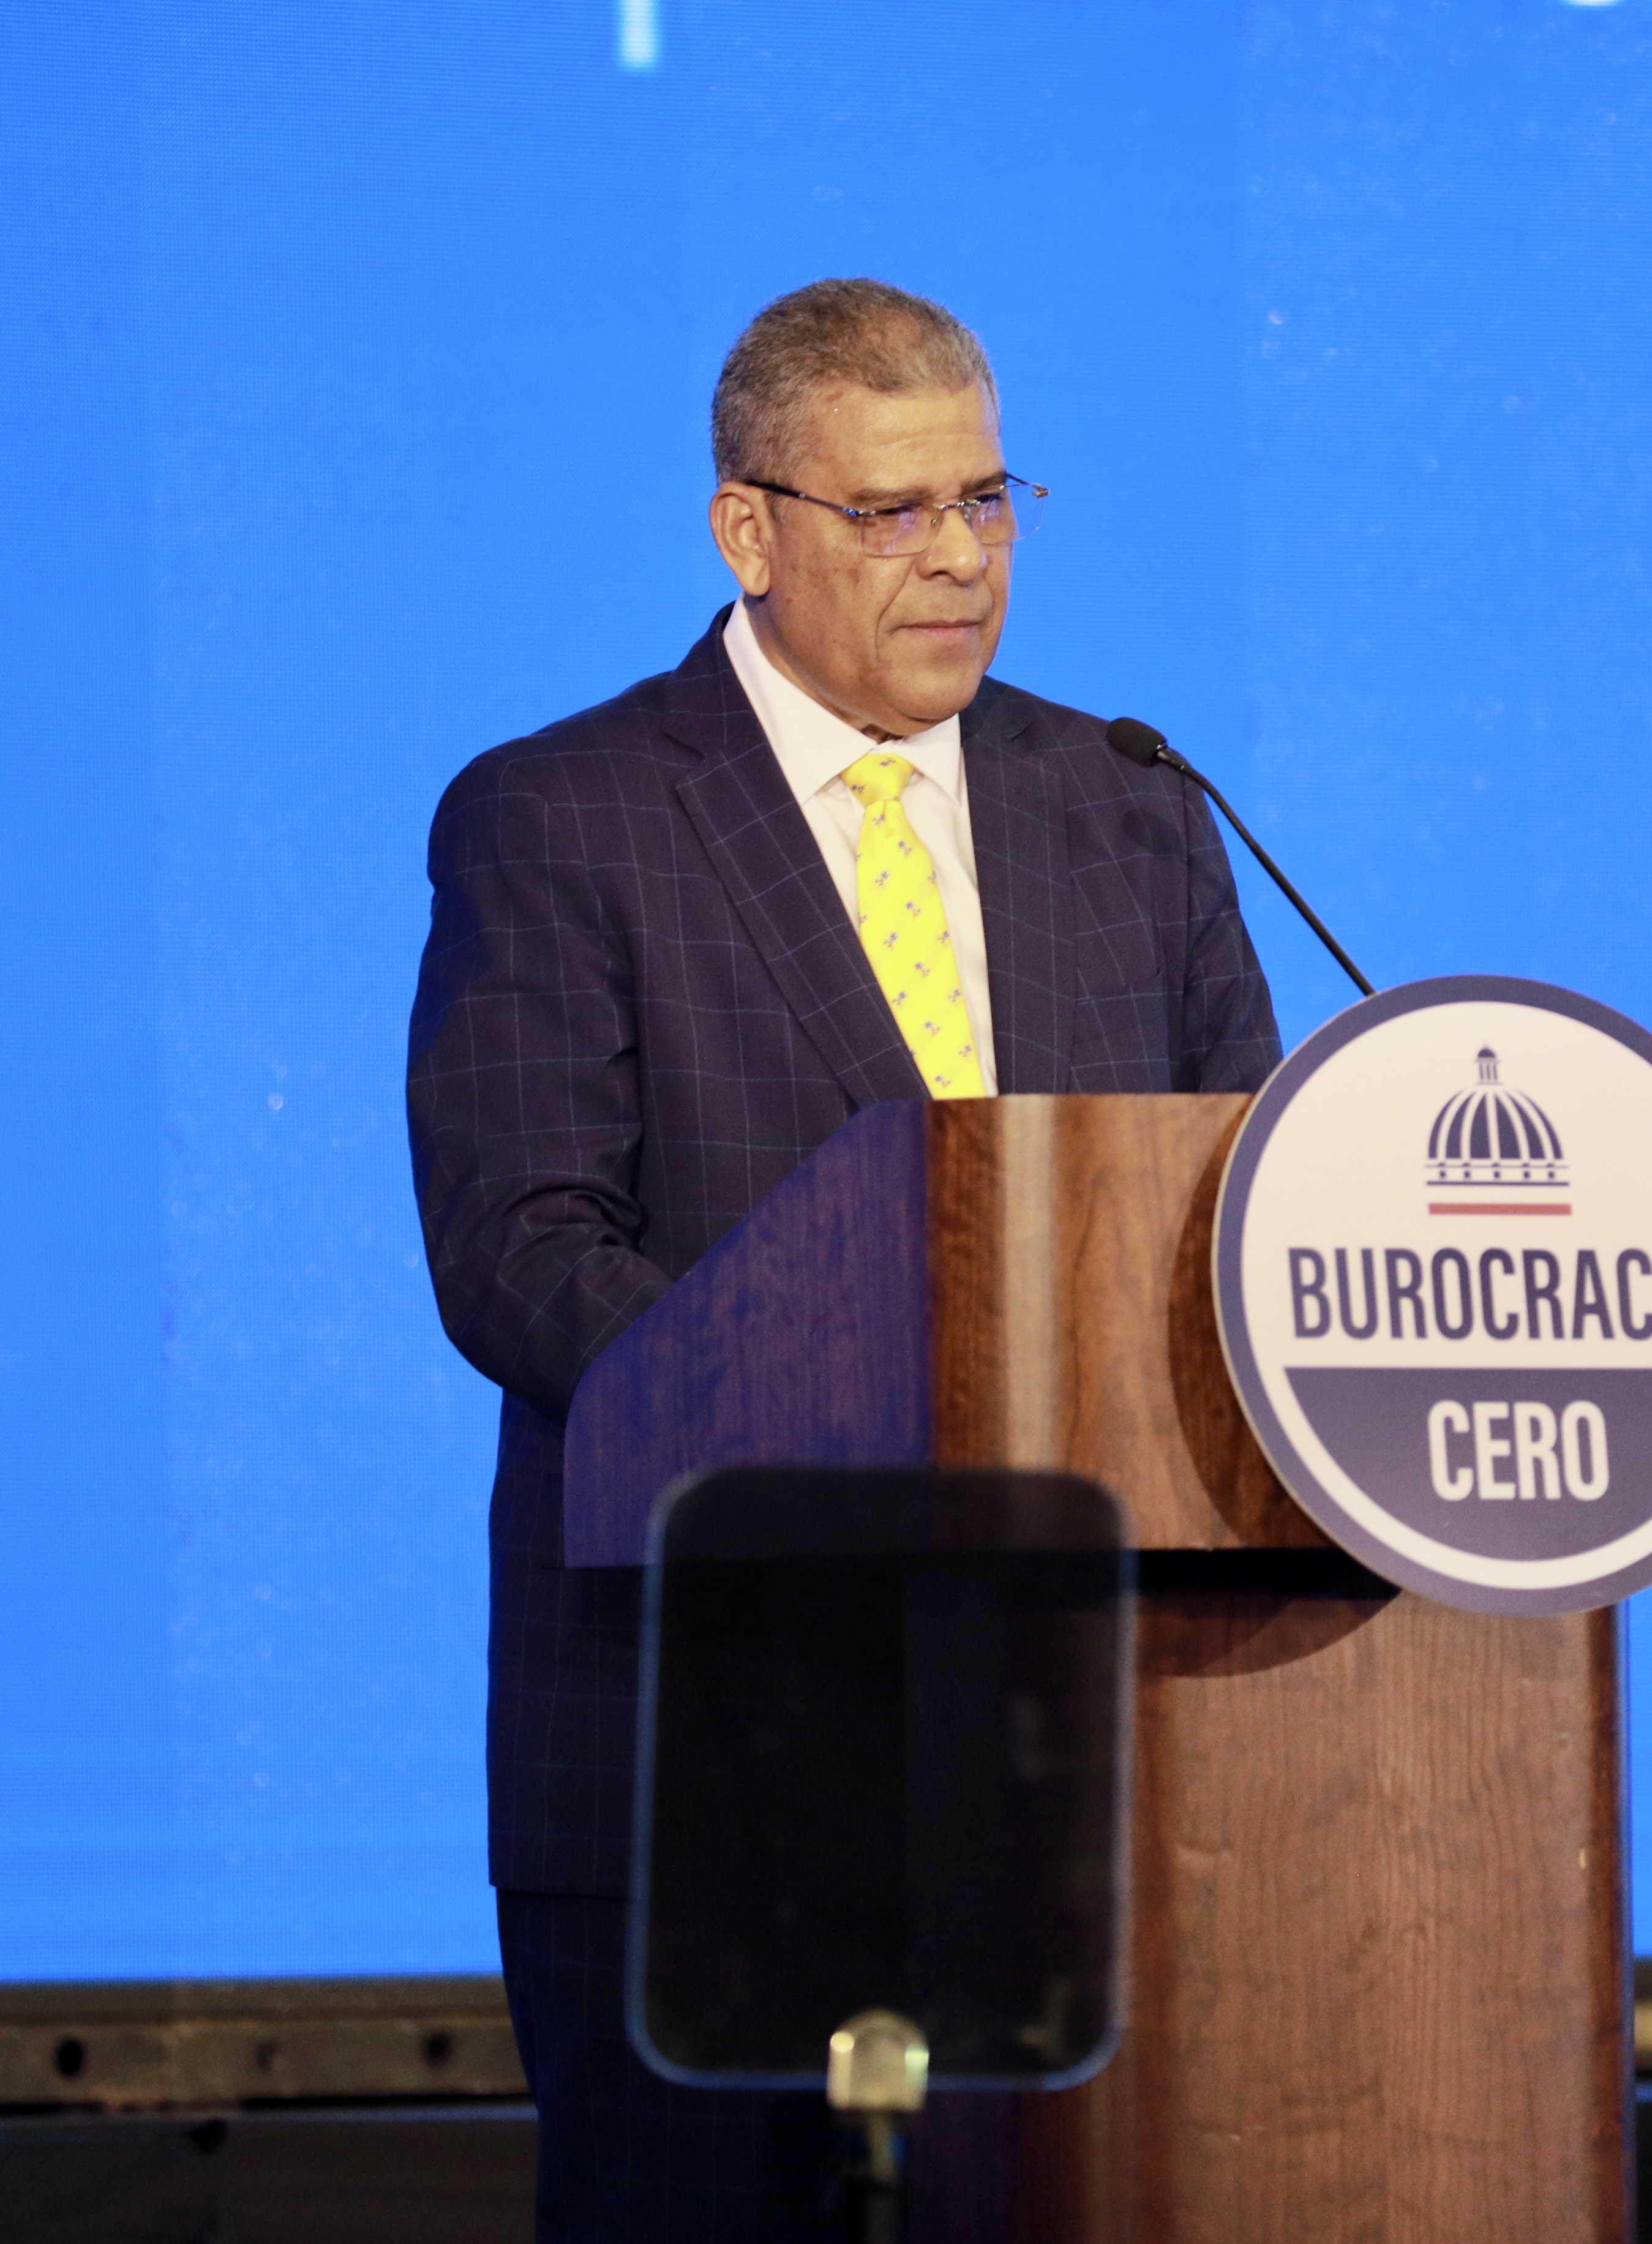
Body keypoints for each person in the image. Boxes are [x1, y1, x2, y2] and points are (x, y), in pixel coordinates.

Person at [405, 278, 1282, 2240]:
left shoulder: (1128, 806)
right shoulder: (563, 814)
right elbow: (520, 1249)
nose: (960, 557)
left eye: (986, 499)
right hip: (706, 1741)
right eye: (893, 512)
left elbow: (1240, 1207)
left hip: (1086, 1751)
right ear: (749, 529)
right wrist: (866, 1449)